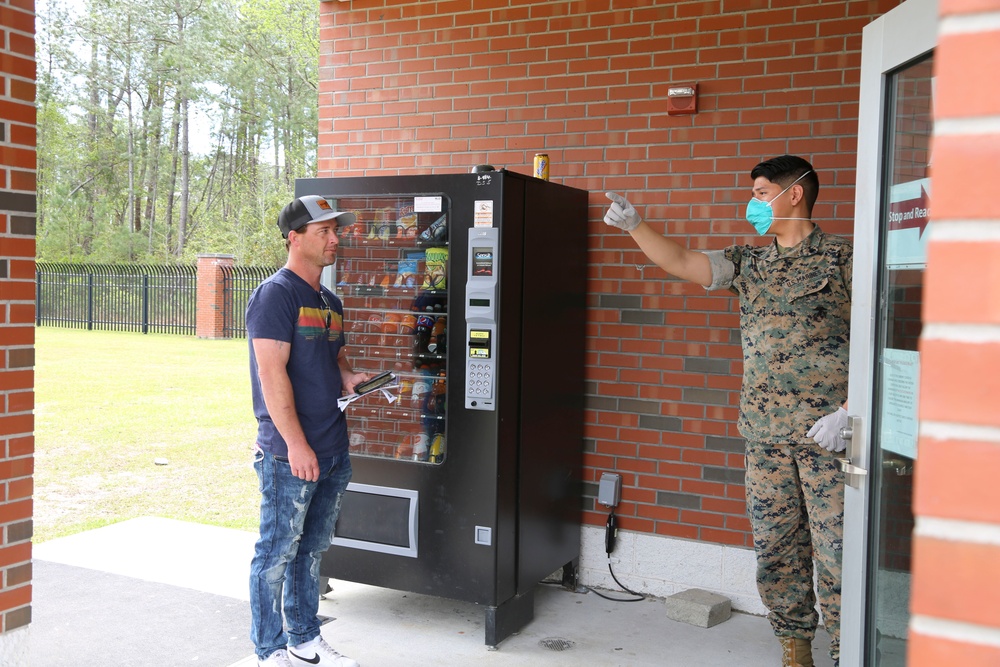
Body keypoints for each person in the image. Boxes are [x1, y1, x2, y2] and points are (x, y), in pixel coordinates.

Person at [603, 155, 851, 667]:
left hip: (830, 439)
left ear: (794, 194)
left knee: (840, 553)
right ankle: (795, 645)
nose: (754, 203)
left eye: (761, 193)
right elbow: (683, 261)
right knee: (776, 547)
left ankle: (849, 651)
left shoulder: (843, 260)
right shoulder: (750, 262)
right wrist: (637, 226)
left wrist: (852, 410)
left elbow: (883, 335)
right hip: (764, 437)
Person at [247, 194, 368, 667]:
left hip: (332, 447)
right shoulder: (275, 294)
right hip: (289, 453)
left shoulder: (328, 301)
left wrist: (352, 378)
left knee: (312, 551)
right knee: (275, 554)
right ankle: (268, 649)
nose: (336, 238)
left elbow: (332, 359)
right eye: (324, 231)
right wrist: (296, 444)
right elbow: (271, 374)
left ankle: (305, 639)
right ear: (294, 238)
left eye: (336, 230)